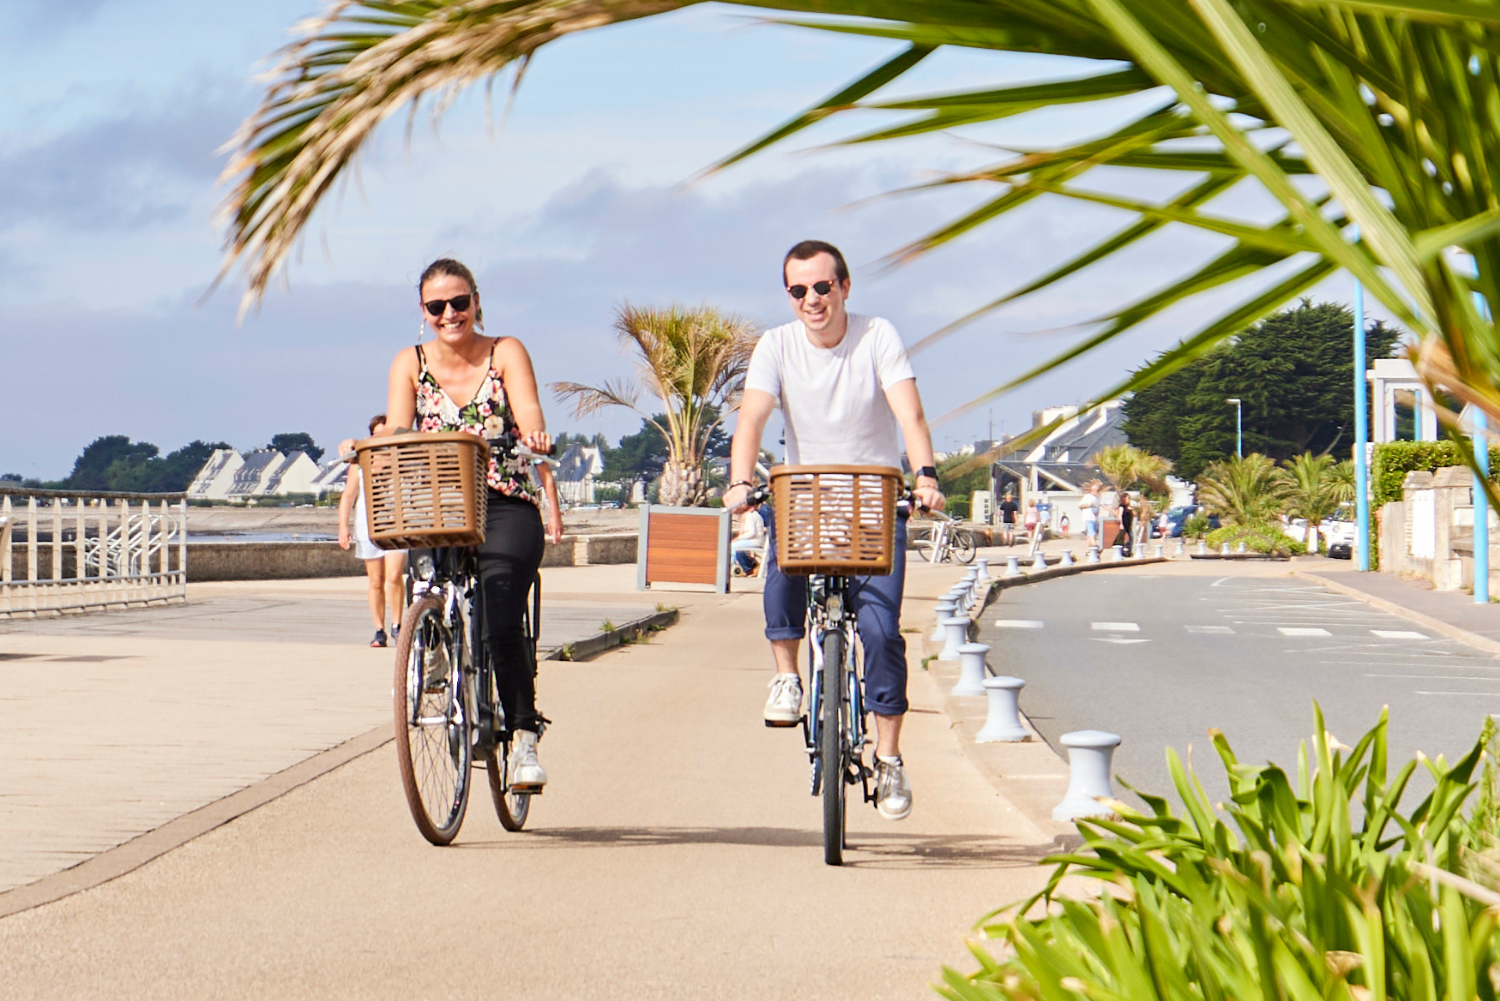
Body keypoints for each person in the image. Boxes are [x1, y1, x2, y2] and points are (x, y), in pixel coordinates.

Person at [724, 239, 945, 822]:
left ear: (844, 287)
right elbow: (752, 418)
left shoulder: (877, 336)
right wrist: (740, 484)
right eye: (798, 290)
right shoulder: (776, 345)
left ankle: (889, 757)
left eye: (822, 286)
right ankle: (786, 679)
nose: (812, 299)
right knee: (781, 568)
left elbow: (909, 414)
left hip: (874, 499)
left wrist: (924, 476)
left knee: (881, 631)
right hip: (807, 495)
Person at [382, 258, 564, 790]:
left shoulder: (505, 351)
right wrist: (371, 441)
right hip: (439, 502)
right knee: (426, 580)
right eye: (436, 306)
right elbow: (398, 428)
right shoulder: (410, 362)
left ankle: (524, 736)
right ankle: (432, 646)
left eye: (459, 302)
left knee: (502, 610)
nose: (449, 314)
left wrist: (534, 435)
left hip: (505, 498)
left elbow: (528, 413)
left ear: (476, 302)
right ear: (423, 311)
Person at [339, 413, 407, 647]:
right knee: (376, 580)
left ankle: (397, 624)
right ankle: (379, 629)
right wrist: (343, 527)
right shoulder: (360, 463)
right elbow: (348, 496)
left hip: (397, 524)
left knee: (394, 575)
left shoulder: (402, 458)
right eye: (377, 434)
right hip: (367, 525)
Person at [732, 503, 767, 575]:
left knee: (733, 545)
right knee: (737, 548)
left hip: (755, 541)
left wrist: (739, 538)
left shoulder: (750, 515)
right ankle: (748, 566)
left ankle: (730, 565)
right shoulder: (750, 514)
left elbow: (752, 533)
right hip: (754, 540)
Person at [1080, 482, 1101, 549]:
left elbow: (1100, 506)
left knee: (1090, 534)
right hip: (1088, 517)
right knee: (1092, 532)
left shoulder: (1097, 498)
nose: (1097, 491)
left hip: (1095, 517)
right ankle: (1094, 546)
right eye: (1096, 490)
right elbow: (1080, 505)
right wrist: (1088, 505)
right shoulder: (1087, 497)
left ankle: (1089, 550)